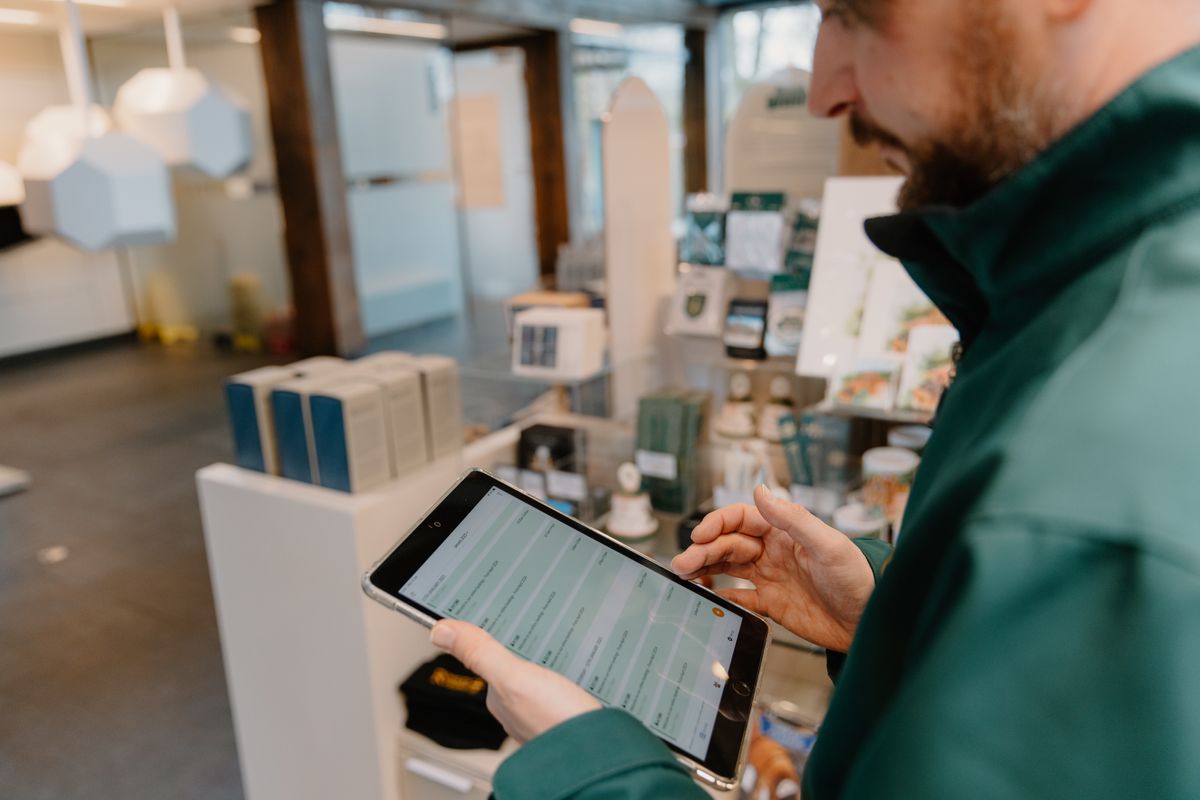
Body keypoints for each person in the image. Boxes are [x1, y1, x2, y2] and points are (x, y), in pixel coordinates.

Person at [432, 0, 1200, 796]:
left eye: (854, 14)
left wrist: (592, 769)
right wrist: (887, 622)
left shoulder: (1092, 474)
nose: (826, 90)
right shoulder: (1090, 305)